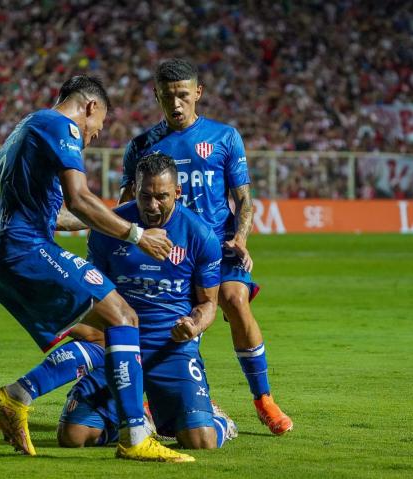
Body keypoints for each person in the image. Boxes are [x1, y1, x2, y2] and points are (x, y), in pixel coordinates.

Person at [0, 75, 194, 463]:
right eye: (99, 127)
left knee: (101, 336)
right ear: (91, 107)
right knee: (125, 316)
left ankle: (15, 397)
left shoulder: (25, 128)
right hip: (26, 251)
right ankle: (135, 436)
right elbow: (79, 198)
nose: (94, 136)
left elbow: (58, 215)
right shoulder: (59, 125)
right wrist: (136, 234)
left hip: (1, 259)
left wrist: (103, 220)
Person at [118, 59, 293, 435]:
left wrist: (241, 238)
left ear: (198, 92)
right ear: (157, 97)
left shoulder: (224, 137)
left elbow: (243, 199)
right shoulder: (141, 146)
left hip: (218, 247)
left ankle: (263, 399)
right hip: (167, 250)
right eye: (168, 97)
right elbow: (126, 204)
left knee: (233, 298)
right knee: (158, 317)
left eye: (183, 95)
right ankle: (159, 399)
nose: (176, 103)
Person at [55, 152, 237, 449]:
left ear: (178, 192)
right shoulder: (109, 228)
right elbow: (95, 293)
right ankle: (139, 423)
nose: (152, 206)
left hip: (171, 347)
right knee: (73, 436)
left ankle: (220, 422)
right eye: (145, 196)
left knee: (200, 440)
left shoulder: (199, 235)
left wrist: (193, 326)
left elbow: (208, 304)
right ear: (135, 190)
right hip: (118, 344)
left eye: (162, 197)